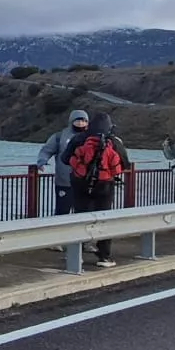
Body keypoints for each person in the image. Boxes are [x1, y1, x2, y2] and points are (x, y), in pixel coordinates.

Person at [64, 111, 128, 268]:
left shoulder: (79, 138)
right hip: (105, 185)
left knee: (79, 217)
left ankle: (76, 255)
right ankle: (104, 256)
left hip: (80, 183)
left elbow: (65, 158)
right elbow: (125, 163)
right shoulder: (114, 141)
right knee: (103, 217)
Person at [36, 108, 90, 217]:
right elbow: (47, 150)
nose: (80, 123)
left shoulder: (91, 137)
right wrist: (42, 162)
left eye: (84, 121)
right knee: (62, 212)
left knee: (84, 213)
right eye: (78, 120)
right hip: (64, 182)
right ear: (71, 121)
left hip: (85, 183)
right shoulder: (59, 137)